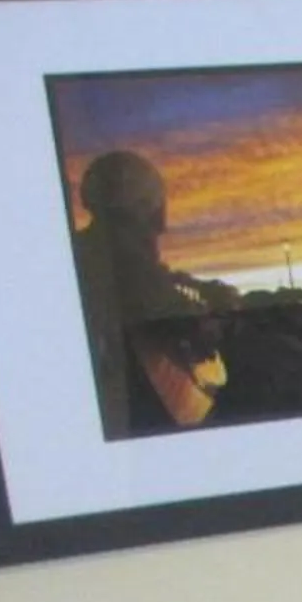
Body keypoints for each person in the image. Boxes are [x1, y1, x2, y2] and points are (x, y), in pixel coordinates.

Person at [66, 148, 226, 437]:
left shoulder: (81, 252)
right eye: (154, 210)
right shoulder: (127, 265)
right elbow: (189, 328)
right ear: (141, 210)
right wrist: (214, 315)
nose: (161, 227)